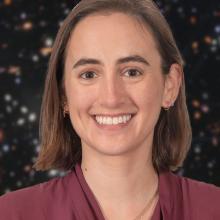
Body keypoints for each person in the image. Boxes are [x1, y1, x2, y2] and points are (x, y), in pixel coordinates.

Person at [0, 0, 220, 219]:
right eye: (89, 74)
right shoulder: (11, 213)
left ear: (169, 86)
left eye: (132, 72)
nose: (111, 98)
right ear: (64, 94)